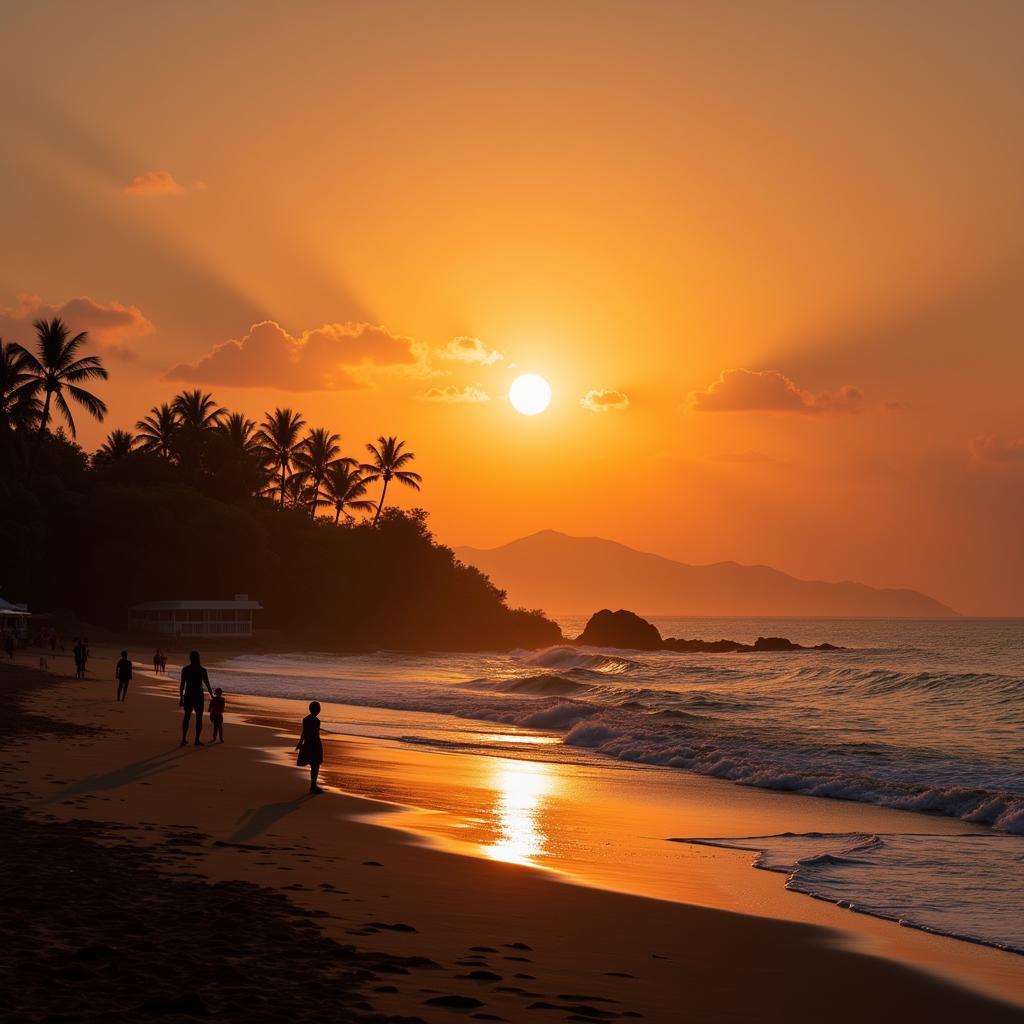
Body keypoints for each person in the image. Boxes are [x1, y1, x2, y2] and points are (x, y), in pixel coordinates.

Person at [179, 650, 214, 747]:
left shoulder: (185, 669)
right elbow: (207, 684)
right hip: (198, 695)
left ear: (190, 658)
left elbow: (182, 684)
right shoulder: (202, 670)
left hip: (188, 695)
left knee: (186, 717)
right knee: (199, 718)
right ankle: (197, 740)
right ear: (198, 658)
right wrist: (212, 695)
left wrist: (181, 697)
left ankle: (183, 739)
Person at [295, 701, 324, 794]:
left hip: (307, 743)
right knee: (315, 766)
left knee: (312, 764)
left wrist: (300, 743)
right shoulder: (317, 721)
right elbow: (316, 734)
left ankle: (313, 785)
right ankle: (313, 786)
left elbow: (304, 732)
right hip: (315, 744)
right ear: (318, 710)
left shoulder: (305, 719)